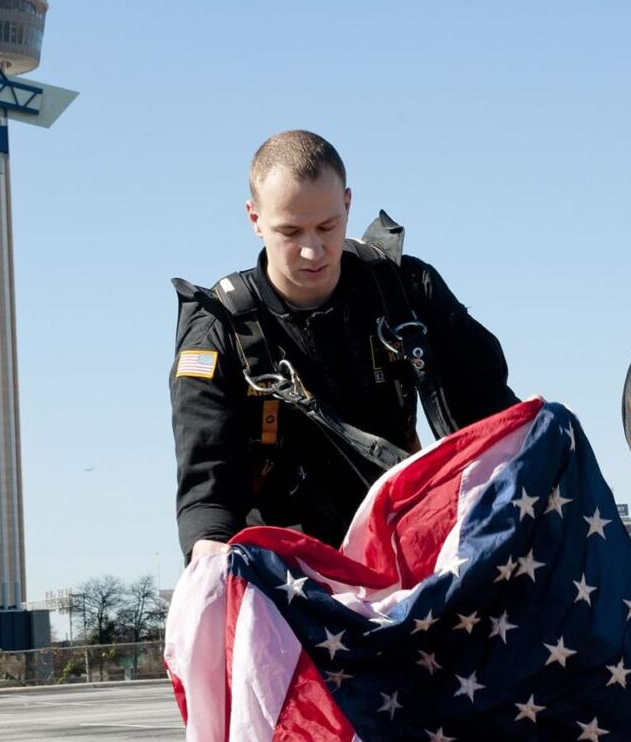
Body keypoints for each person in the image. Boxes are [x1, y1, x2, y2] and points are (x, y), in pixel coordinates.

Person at [171, 130, 518, 563]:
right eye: (291, 231)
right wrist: (209, 565)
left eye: (327, 226)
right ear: (254, 218)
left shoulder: (407, 292)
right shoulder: (218, 333)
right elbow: (208, 490)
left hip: (407, 552)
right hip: (290, 576)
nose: (313, 250)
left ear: (348, 204)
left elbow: (496, 417)